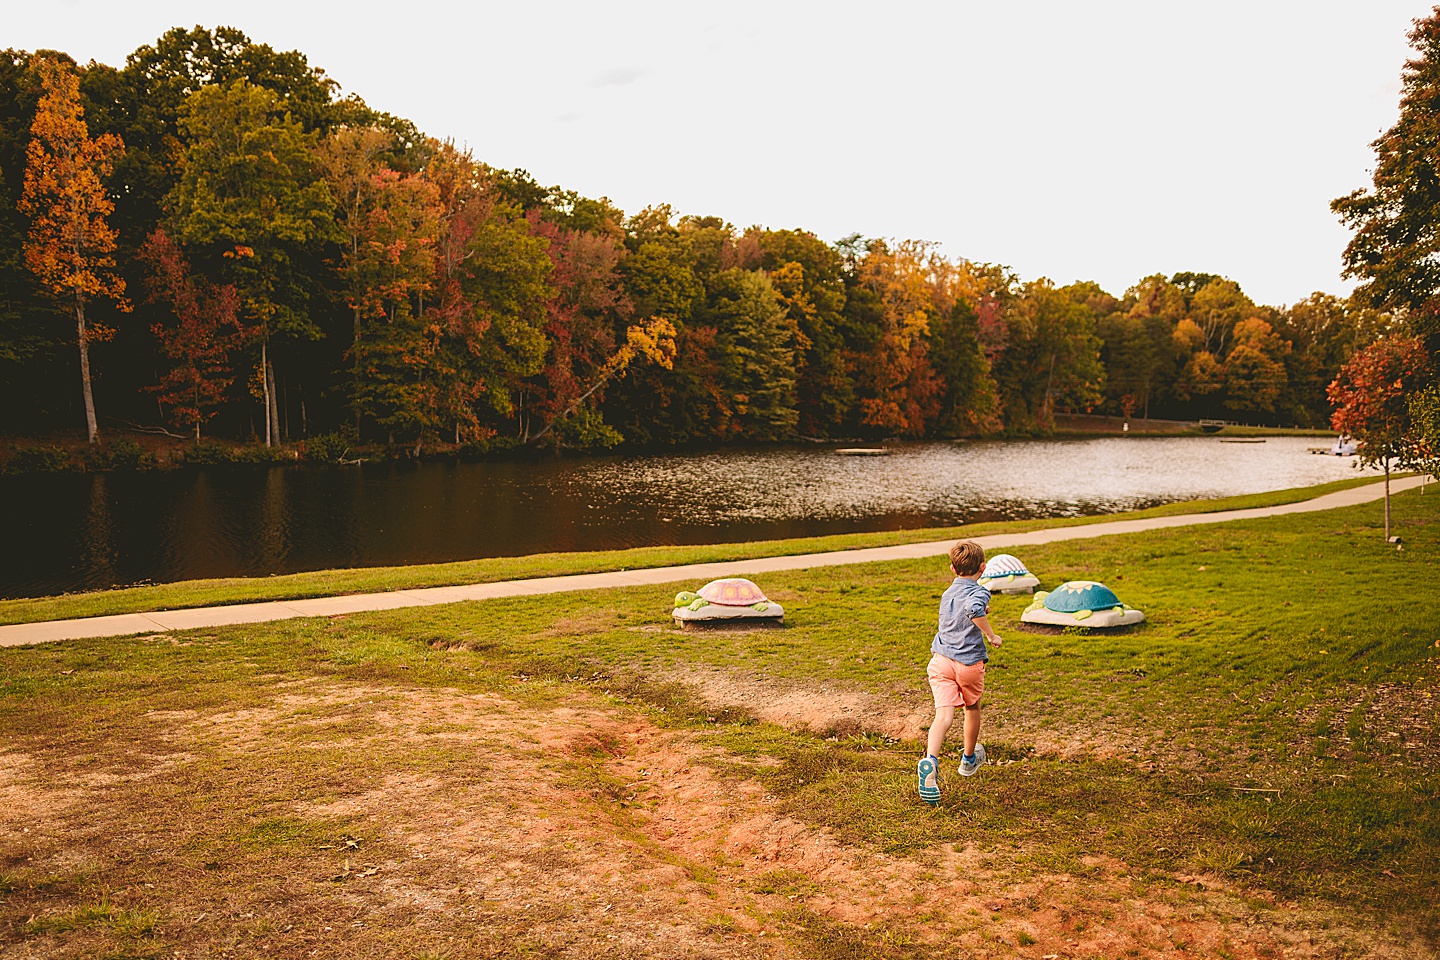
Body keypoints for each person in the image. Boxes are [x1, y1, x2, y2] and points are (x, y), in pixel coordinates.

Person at [917, 540, 1003, 804]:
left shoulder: (947, 593)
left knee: (942, 717)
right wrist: (990, 634)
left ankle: (930, 761)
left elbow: (963, 613)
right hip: (967, 664)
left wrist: (979, 612)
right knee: (971, 708)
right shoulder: (980, 592)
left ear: (953, 569)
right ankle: (968, 759)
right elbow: (973, 609)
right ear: (983, 567)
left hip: (941, 660)